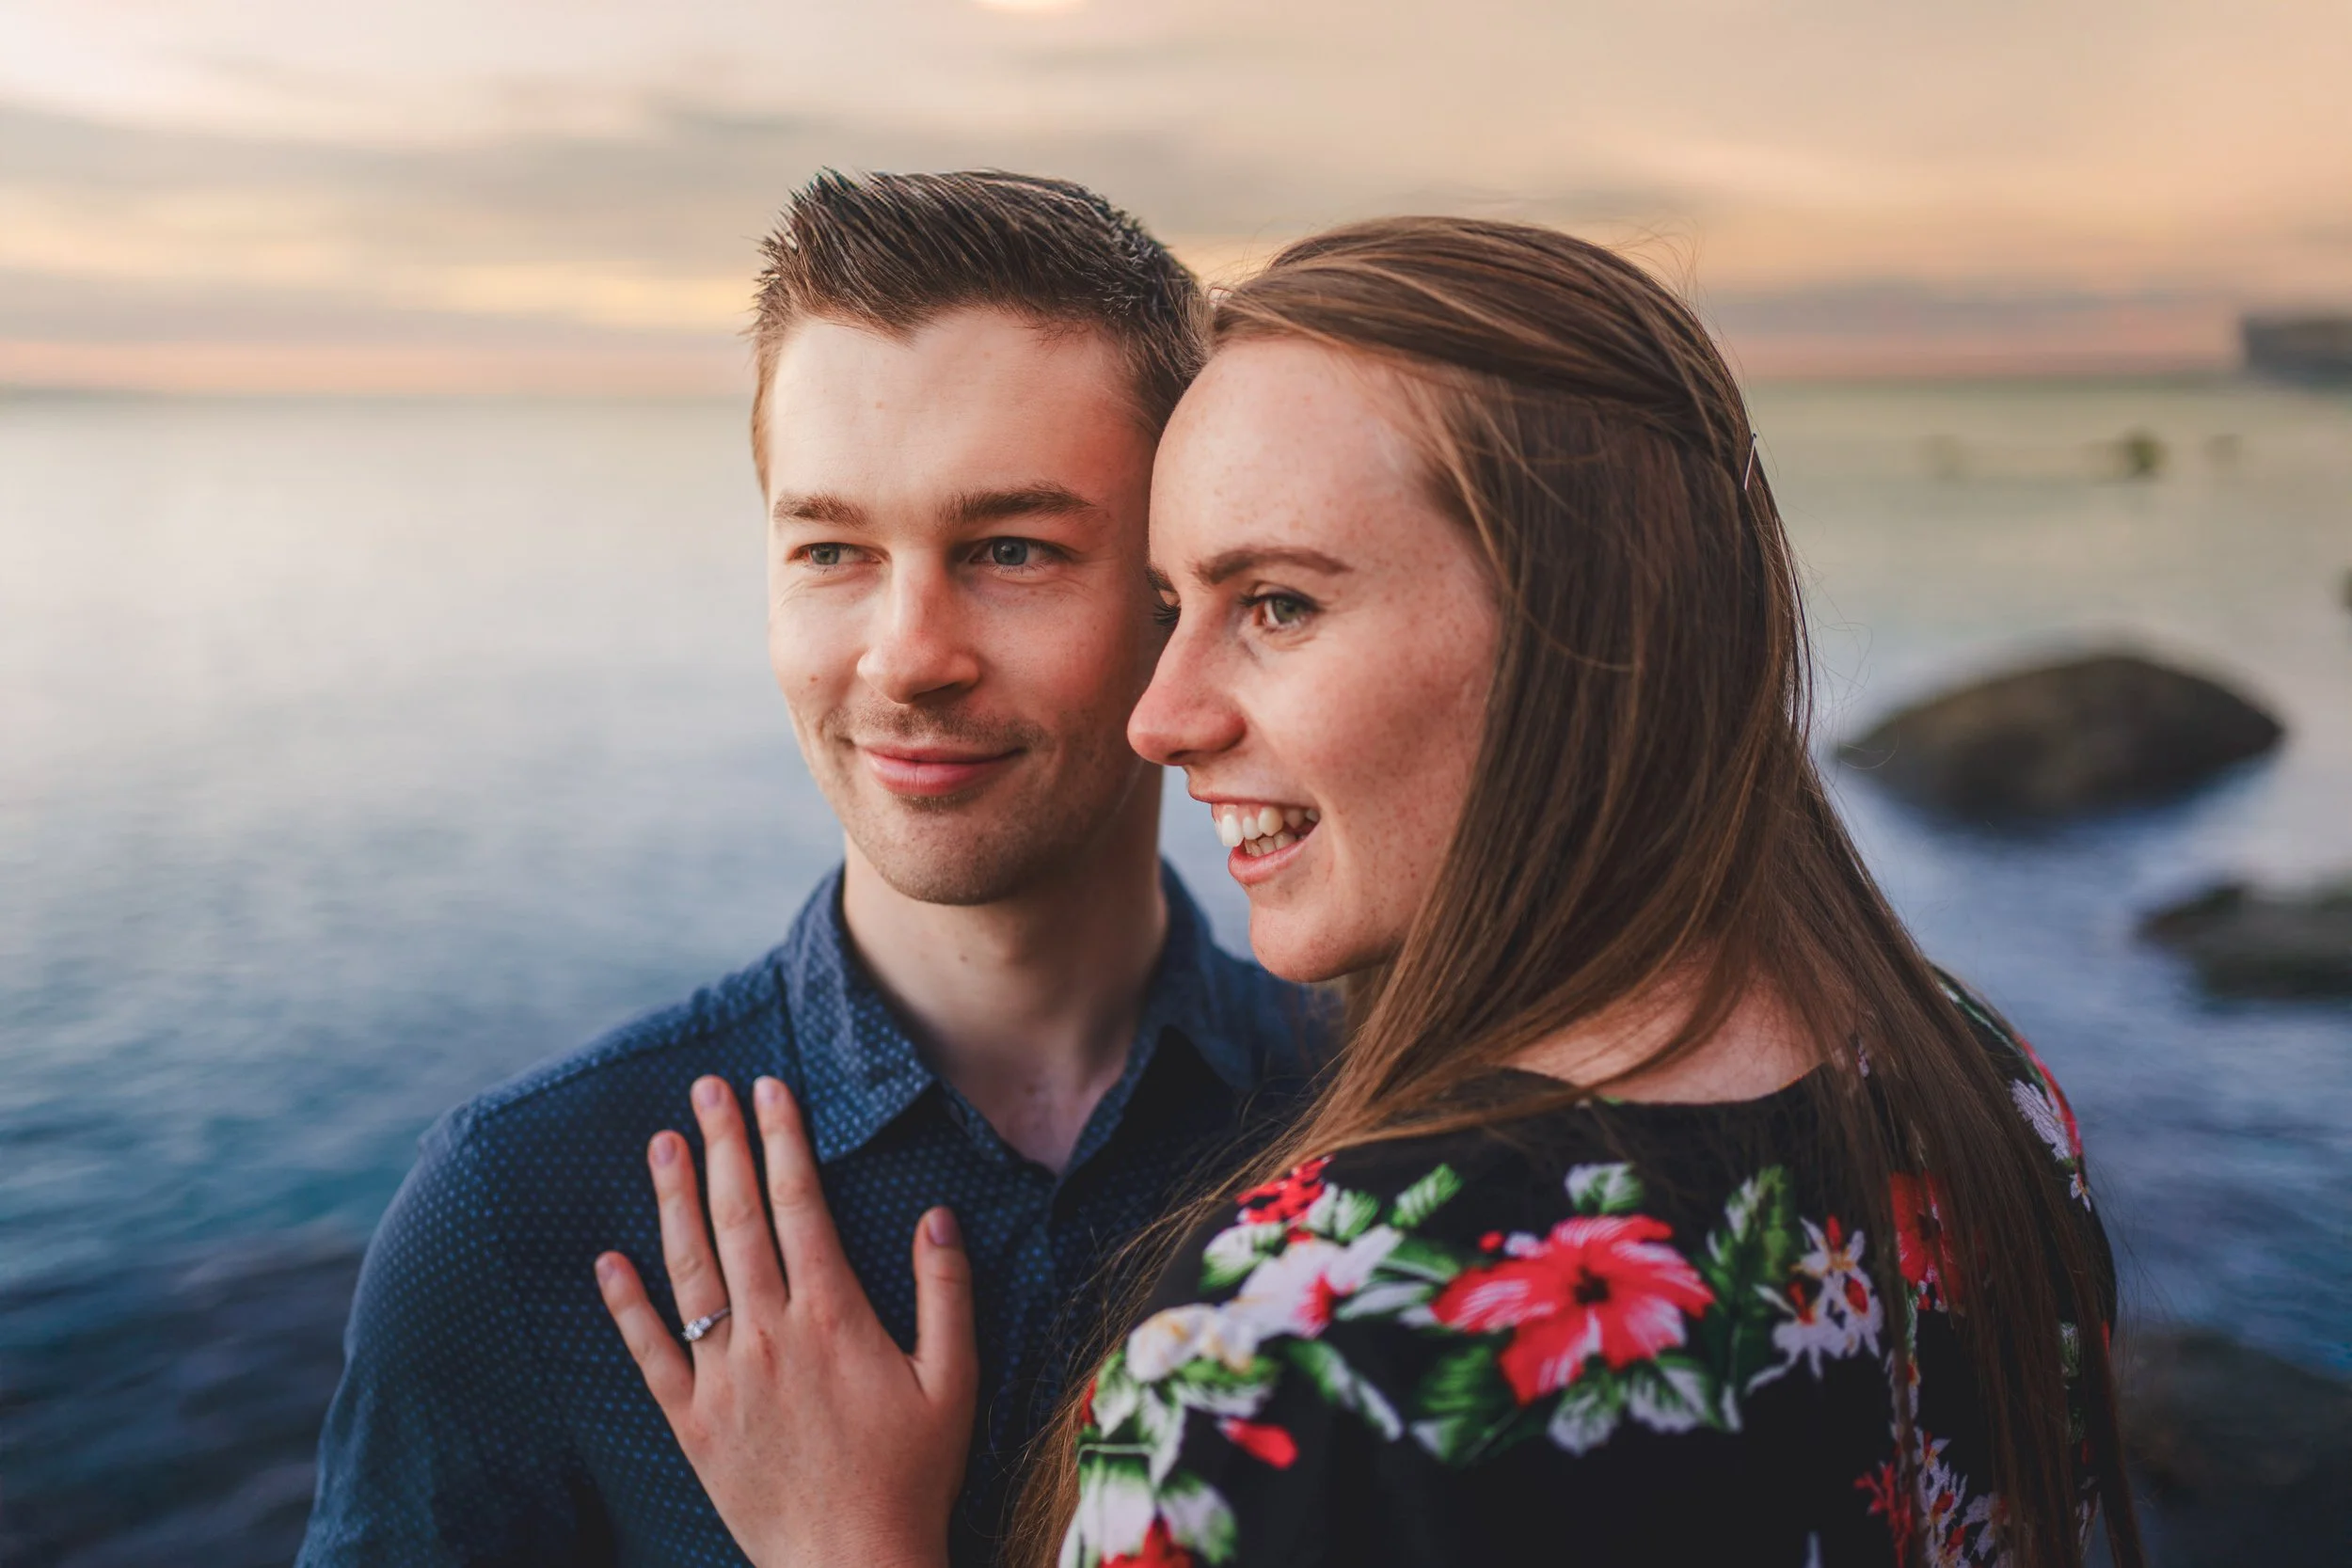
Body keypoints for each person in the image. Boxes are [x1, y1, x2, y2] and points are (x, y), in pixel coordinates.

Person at [603, 214, 2146, 1568]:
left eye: (1275, 602)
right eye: (1167, 603)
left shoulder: (1305, 1341)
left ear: (1575, 630)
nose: (1164, 711)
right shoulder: (1982, 1093)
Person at [299, 171, 1322, 1568]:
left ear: (1175, 586)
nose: (907, 655)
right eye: (833, 548)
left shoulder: (1395, 1122)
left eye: (1011, 548)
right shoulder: (518, 1215)